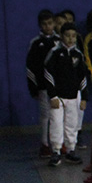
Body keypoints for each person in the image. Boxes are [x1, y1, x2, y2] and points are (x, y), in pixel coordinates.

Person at [43, 22, 90, 167]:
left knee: (72, 124)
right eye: (67, 36)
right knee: (56, 124)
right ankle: (56, 151)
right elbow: (48, 74)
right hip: (58, 98)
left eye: (73, 36)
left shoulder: (78, 55)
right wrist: (52, 96)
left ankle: (70, 150)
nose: (70, 39)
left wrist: (84, 97)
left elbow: (83, 77)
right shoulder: (55, 53)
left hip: (73, 97)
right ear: (61, 36)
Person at [25, 9, 59, 158]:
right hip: (44, 87)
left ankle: (59, 144)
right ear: (40, 25)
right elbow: (30, 68)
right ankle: (45, 144)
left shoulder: (60, 41)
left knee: (59, 116)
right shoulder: (35, 43)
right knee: (45, 115)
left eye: (50, 23)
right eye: (44, 24)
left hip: (59, 87)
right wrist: (33, 88)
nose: (47, 27)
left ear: (54, 23)